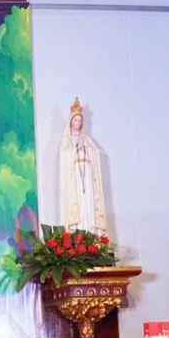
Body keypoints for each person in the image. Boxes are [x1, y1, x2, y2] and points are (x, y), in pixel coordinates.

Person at [59, 98, 109, 237]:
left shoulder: (87, 139)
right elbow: (64, 157)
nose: (78, 123)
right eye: (75, 120)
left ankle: (90, 235)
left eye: (80, 120)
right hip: (74, 178)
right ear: (71, 121)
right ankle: (78, 235)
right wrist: (75, 148)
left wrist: (86, 148)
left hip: (87, 178)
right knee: (78, 206)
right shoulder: (66, 140)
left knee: (88, 205)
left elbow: (96, 154)